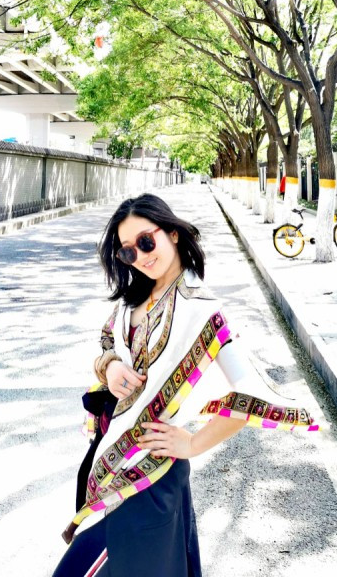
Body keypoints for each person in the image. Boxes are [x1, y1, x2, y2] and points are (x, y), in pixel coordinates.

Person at [53, 193, 318, 577]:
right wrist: (108, 366)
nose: (140, 256)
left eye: (146, 241)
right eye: (128, 251)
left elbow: (250, 391)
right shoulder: (134, 299)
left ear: (173, 233)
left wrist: (193, 443)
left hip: (151, 479)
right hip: (111, 462)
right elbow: (107, 343)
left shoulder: (201, 309)